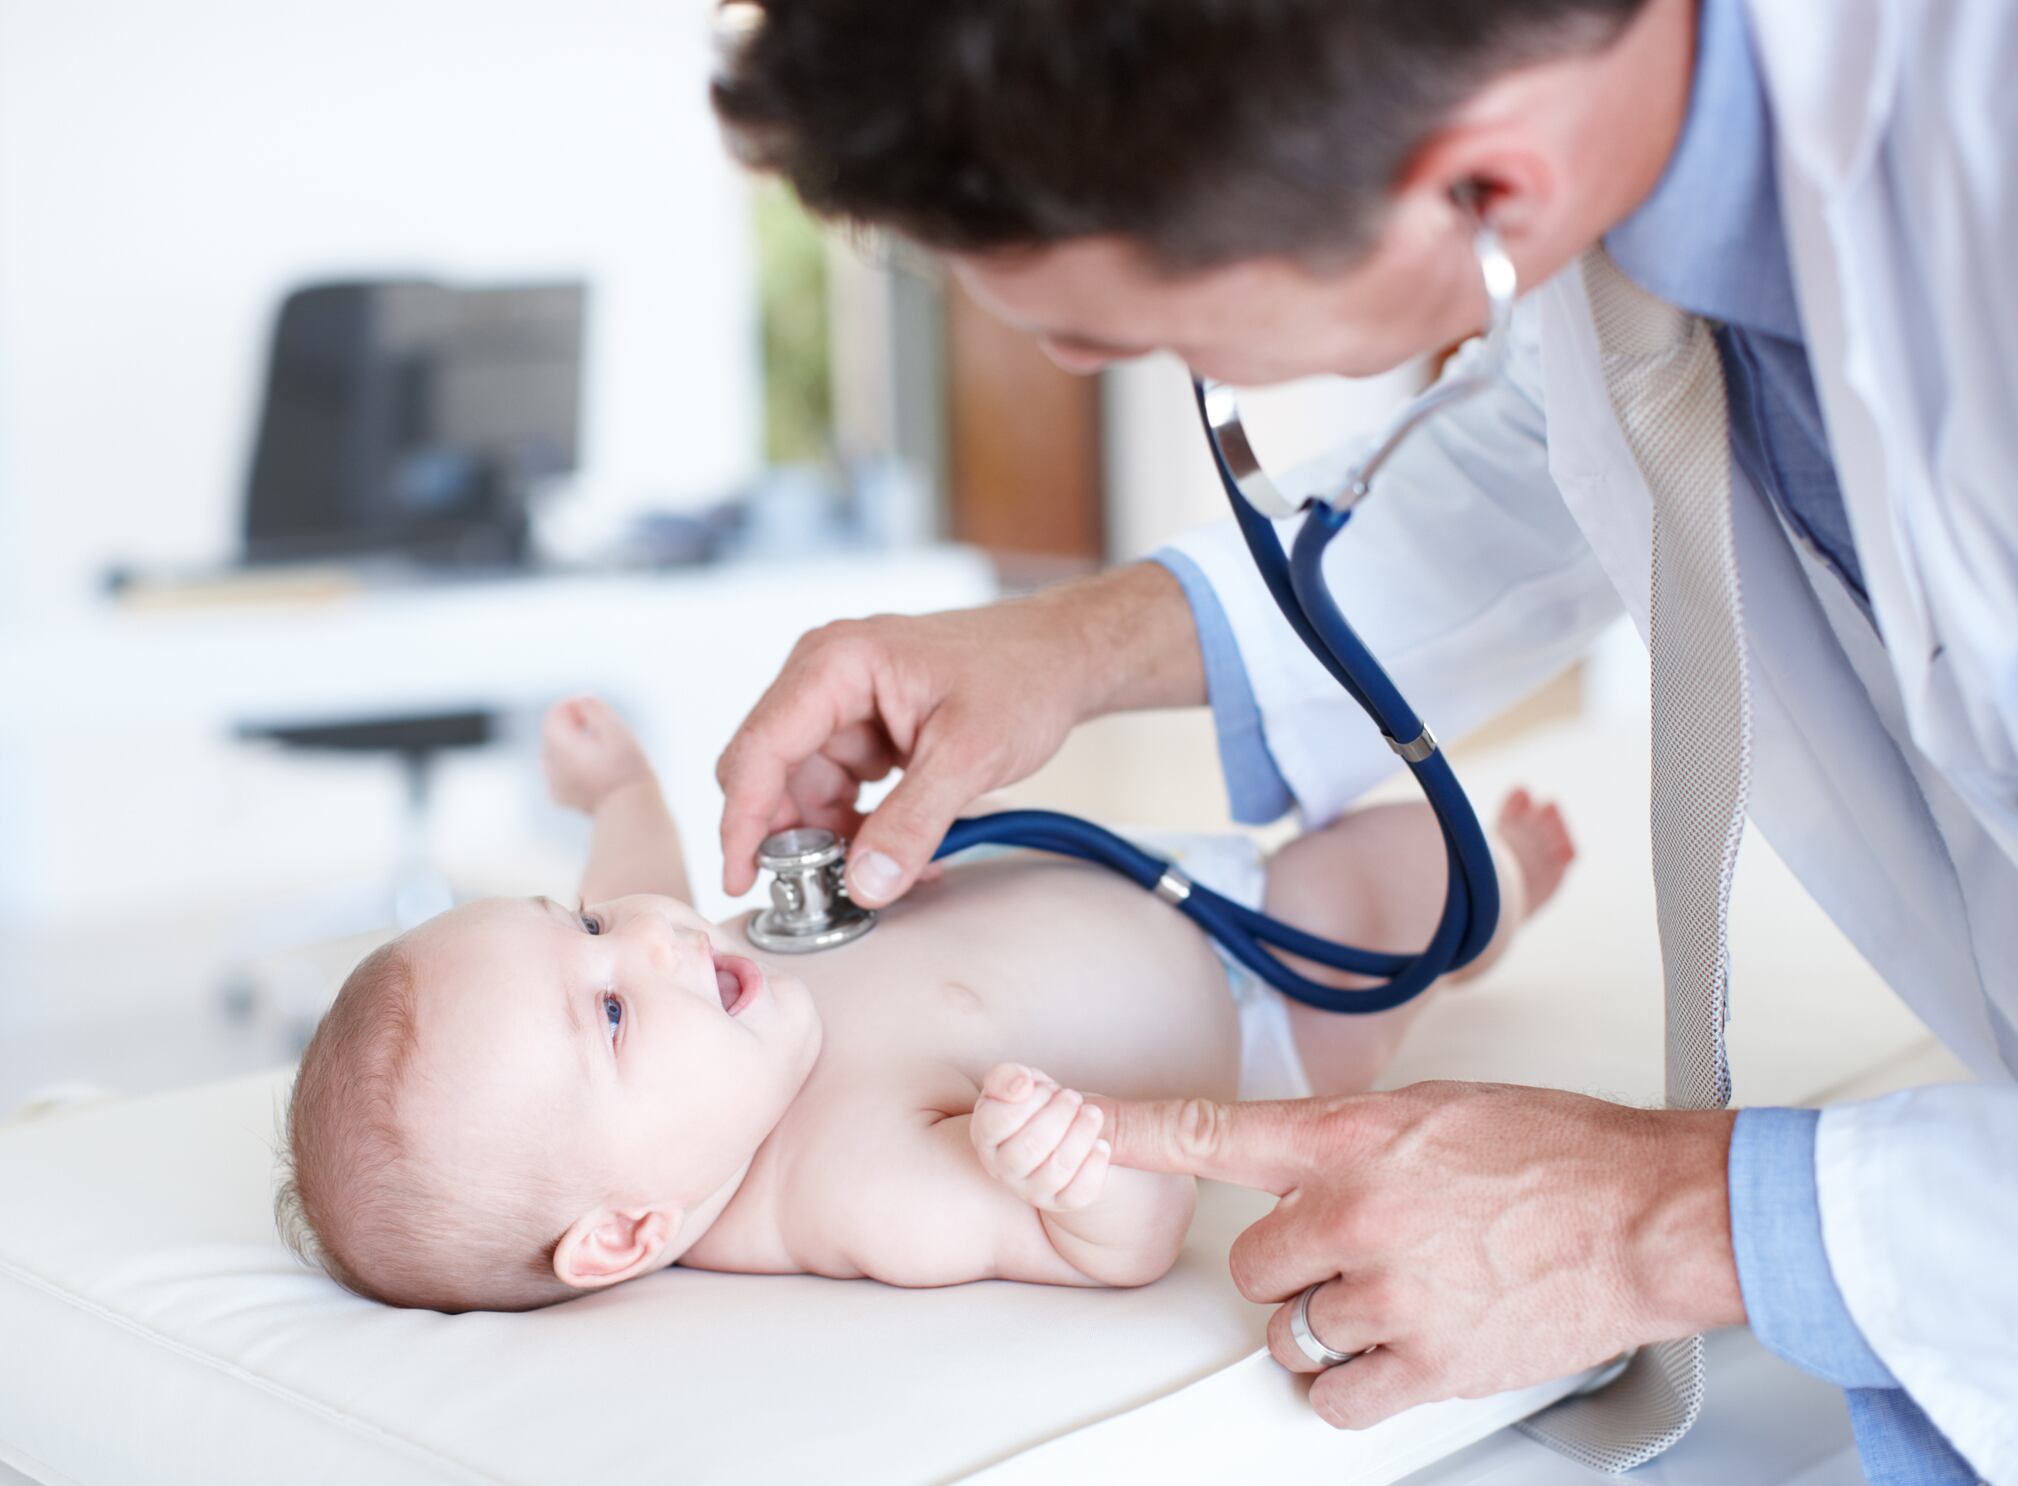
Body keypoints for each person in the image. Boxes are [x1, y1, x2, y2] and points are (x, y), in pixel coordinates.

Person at [707, 0, 2018, 1479]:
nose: (1073, 367)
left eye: (1145, 334)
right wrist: (1071, 646)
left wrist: (1669, 1220)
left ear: (1486, 194)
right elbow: (1585, 422)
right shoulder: (1632, 156)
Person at [272, 697, 1572, 1313]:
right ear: (624, 1228)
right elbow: (1124, 1238)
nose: (653, 943)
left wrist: (615, 789)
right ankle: (1512, 883)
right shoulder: (845, 1183)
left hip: (1134, 861)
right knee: (1405, 877)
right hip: (1263, 994)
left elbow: (640, 884)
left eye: (582, 930)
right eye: (606, 1013)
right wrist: (1065, 1167)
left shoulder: (698, 1006)